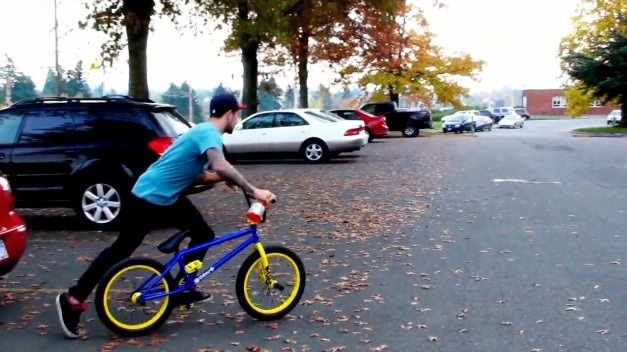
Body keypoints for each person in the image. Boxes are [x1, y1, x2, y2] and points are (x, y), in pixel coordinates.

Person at [55, 93, 275, 339]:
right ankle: (73, 297)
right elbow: (220, 165)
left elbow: (199, 175)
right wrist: (254, 190)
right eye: (238, 113)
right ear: (229, 114)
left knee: (202, 234)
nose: (238, 118)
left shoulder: (200, 131)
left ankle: (182, 287)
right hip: (151, 196)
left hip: (163, 193)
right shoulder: (209, 134)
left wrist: (224, 178)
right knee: (122, 250)